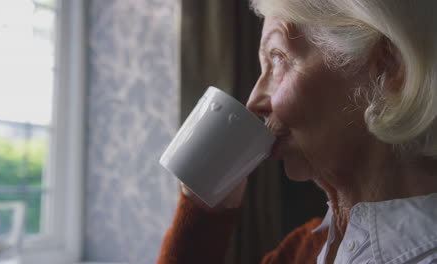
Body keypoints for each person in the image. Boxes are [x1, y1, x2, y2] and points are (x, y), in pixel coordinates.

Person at [157, 0, 437, 263]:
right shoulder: (303, 249)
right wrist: (203, 208)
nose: (254, 101)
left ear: (387, 67)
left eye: (278, 58)